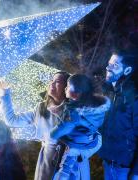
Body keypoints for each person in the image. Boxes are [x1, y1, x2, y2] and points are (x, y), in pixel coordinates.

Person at [0, 71, 70, 180]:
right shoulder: (41, 108)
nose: (51, 83)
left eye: (57, 82)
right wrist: (6, 92)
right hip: (47, 158)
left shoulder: (73, 111)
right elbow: (12, 120)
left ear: (66, 88)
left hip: (68, 159)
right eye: (51, 80)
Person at [51, 74, 110, 180]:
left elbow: (63, 128)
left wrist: (52, 134)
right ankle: (78, 156)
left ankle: (63, 175)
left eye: (68, 86)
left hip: (74, 142)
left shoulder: (74, 113)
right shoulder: (96, 108)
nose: (65, 88)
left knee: (66, 166)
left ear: (76, 93)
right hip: (90, 141)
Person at [98, 51, 138, 180]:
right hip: (108, 163)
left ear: (127, 70)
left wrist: (136, 173)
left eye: (115, 65)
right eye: (109, 63)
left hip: (125, 169)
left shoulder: (134, 98)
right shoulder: (110, 95)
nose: (108, 67)